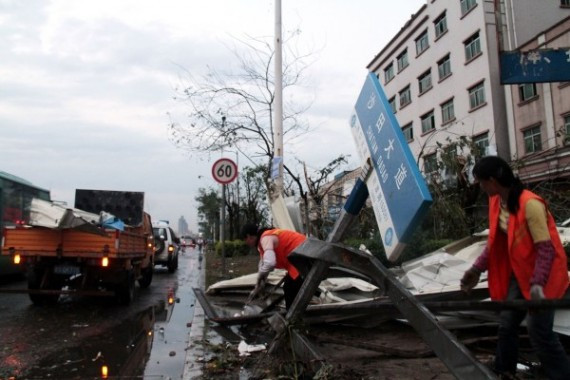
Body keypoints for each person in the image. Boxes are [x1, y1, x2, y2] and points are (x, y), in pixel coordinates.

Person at [460, 156, 570, 379]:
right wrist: (476, 269)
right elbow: (495, 243)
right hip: (520, 275)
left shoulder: (531, 204)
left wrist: (538, 285)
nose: (480, 187)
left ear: (492, 181)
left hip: (544, 277)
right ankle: (504, 370)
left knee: (540, 333)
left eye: (481, 182)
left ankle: (561, 374)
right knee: (507, 324)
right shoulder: (497, 202)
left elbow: (546, 250)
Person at [241, 223, 307, 309]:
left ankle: (294, 318)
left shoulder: (265, 238)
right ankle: (294, 314)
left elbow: (270, 263)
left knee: (290, 288)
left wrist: (260, 277)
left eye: (245, 239)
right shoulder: (263, 242)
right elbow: (264, 265)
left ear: (249, 236)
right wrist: (258, 286)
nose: (246, 243)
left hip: (304, 256)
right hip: (301, 257)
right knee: (290, 287)